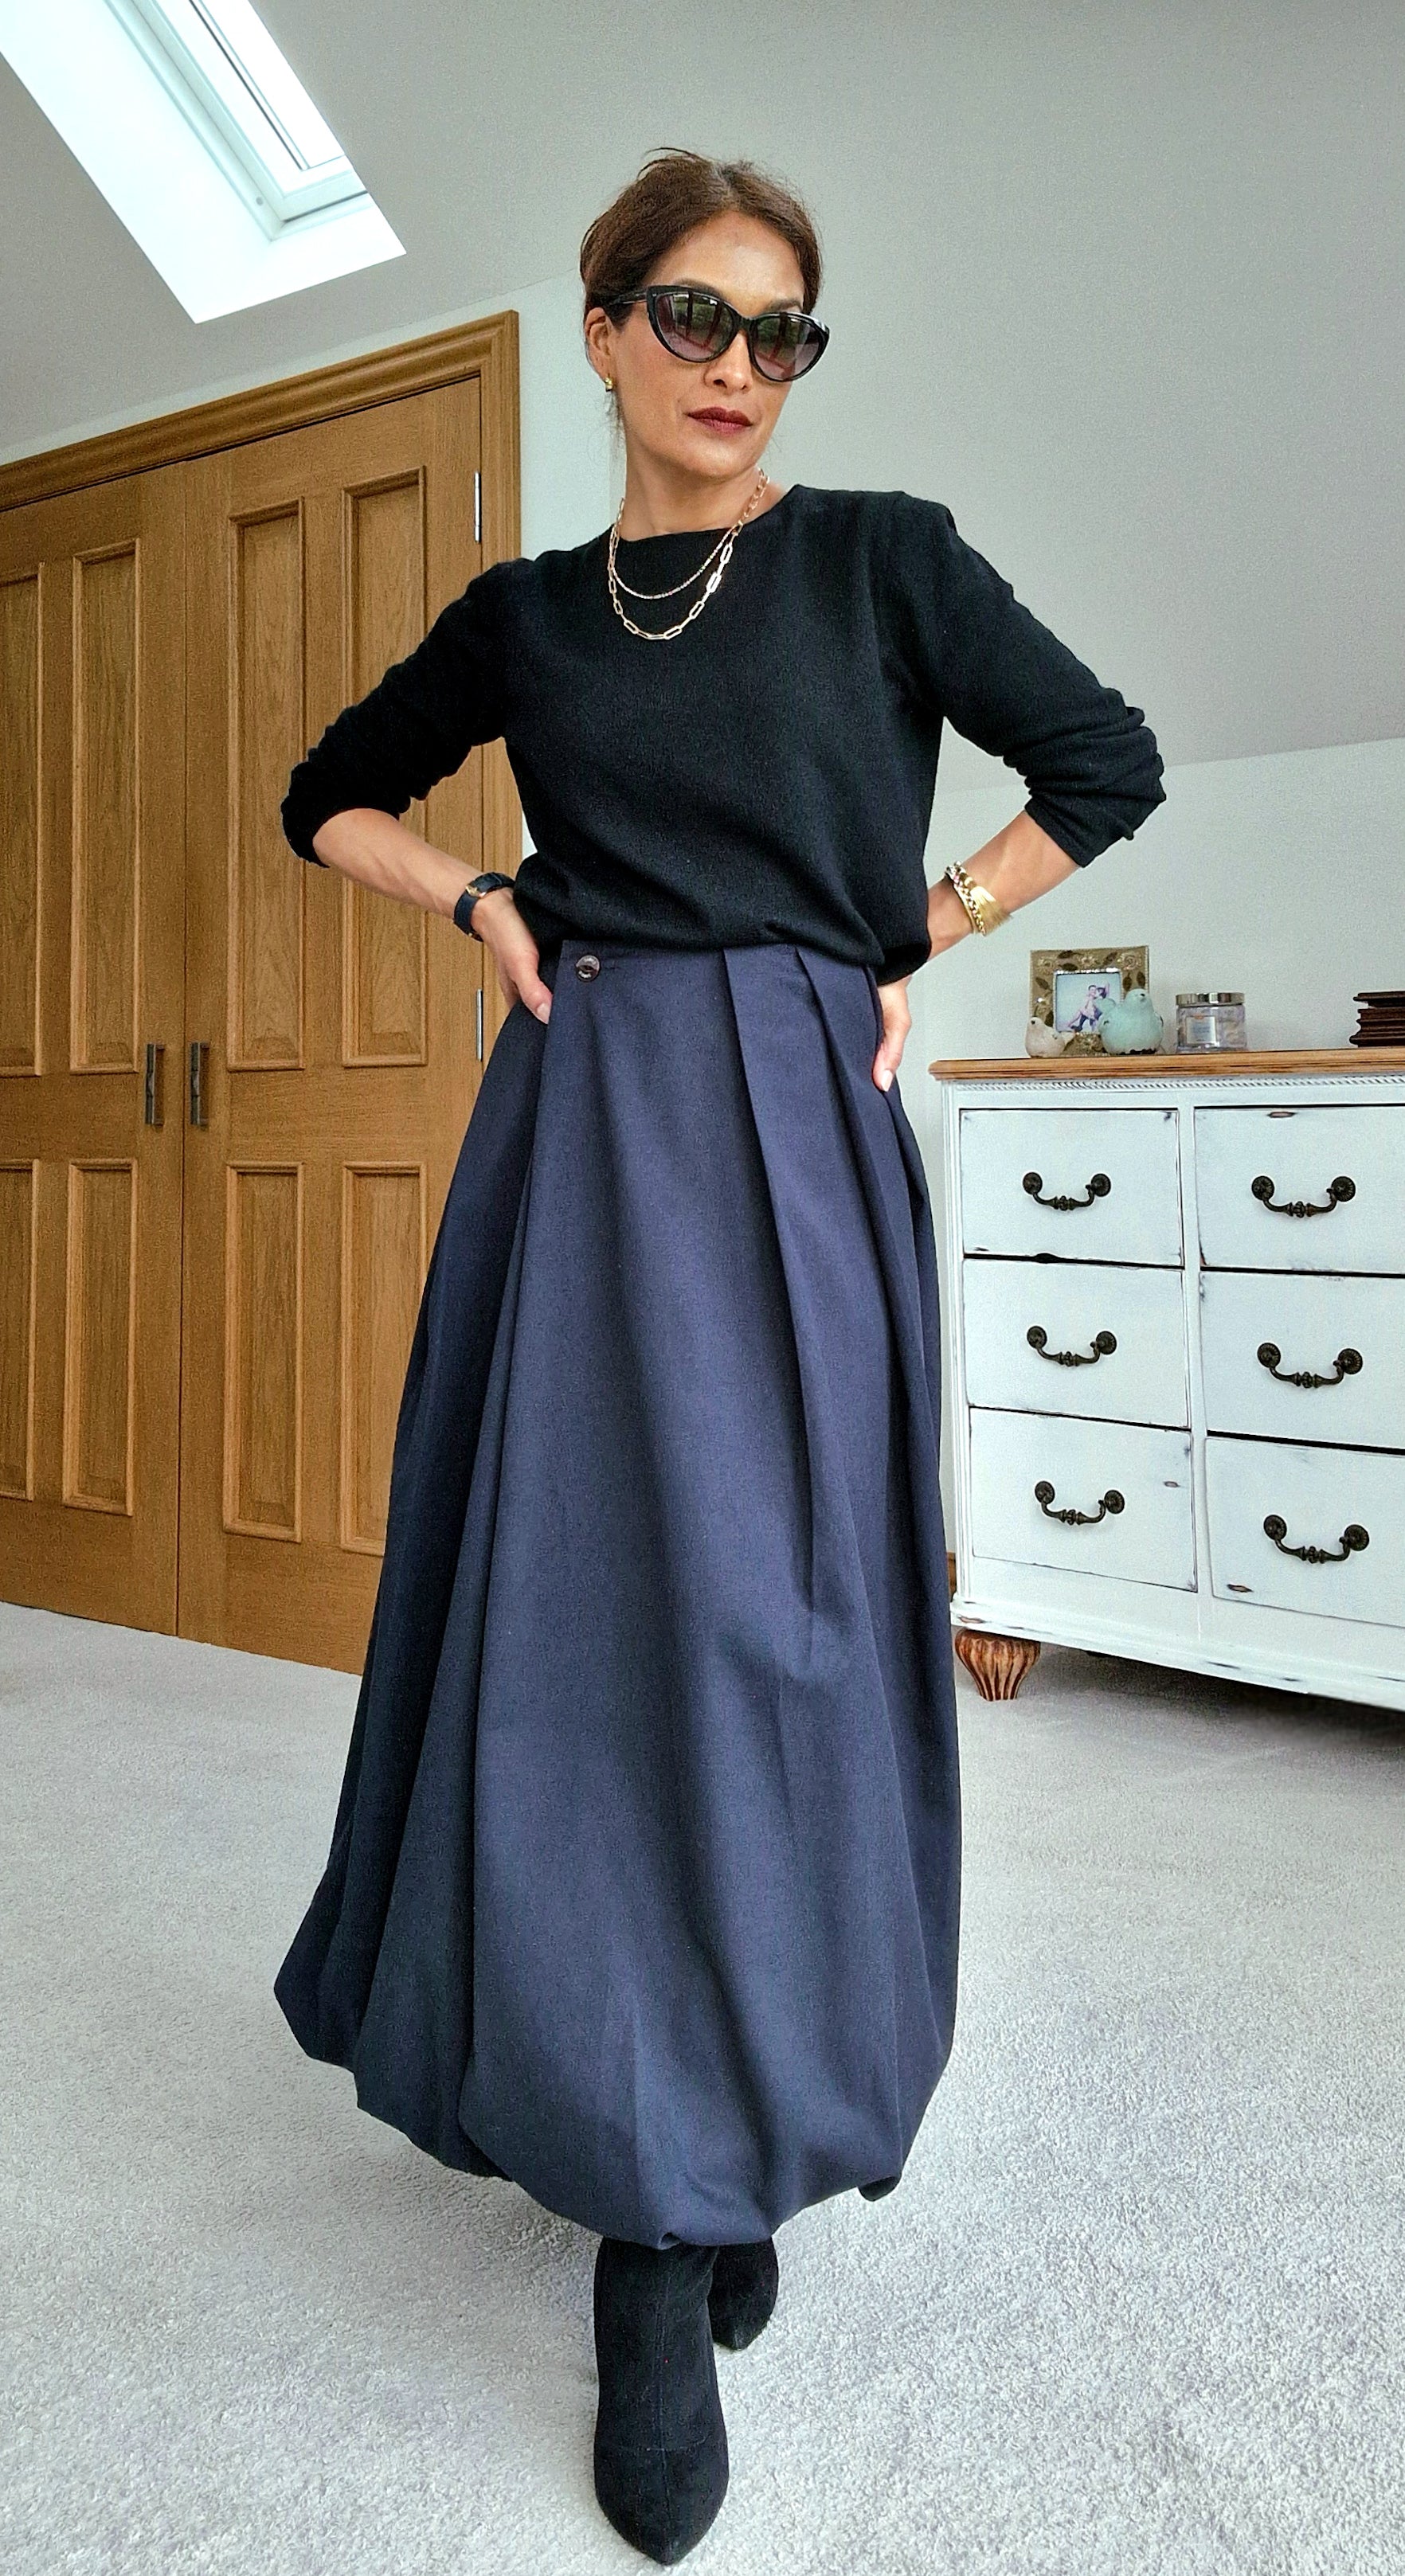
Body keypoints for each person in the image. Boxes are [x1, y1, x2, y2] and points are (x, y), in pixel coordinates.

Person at [273, 146, 1166, 2563]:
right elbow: (325, 795)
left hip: (793, 1121)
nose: (738, 366)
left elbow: (1104, 761)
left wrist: (911, 931)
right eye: (692, 314)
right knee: (585, 1640)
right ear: (601, 329)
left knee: (783, 1636)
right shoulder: (527, 618)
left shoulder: (884, 559)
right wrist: (474, 894)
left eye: (781, 331)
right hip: (584, 1130)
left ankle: (740, 2120)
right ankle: (650, 2240)